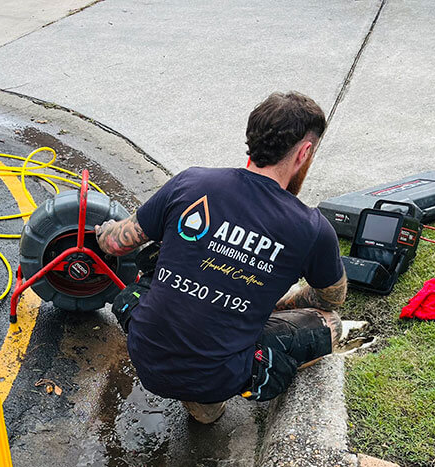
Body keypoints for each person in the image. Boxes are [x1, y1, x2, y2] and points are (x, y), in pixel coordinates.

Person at [96, 91, 346, 423]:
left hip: (147, 354)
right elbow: (332, 298)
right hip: (213, 377)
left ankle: (199, 391)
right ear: (305, 151)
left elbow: (115, 244)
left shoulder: (192, 182)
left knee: (166, 248)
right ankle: (204, 403)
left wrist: (103, 229)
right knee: (330, 324)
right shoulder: (312, 228)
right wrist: (269, 302)